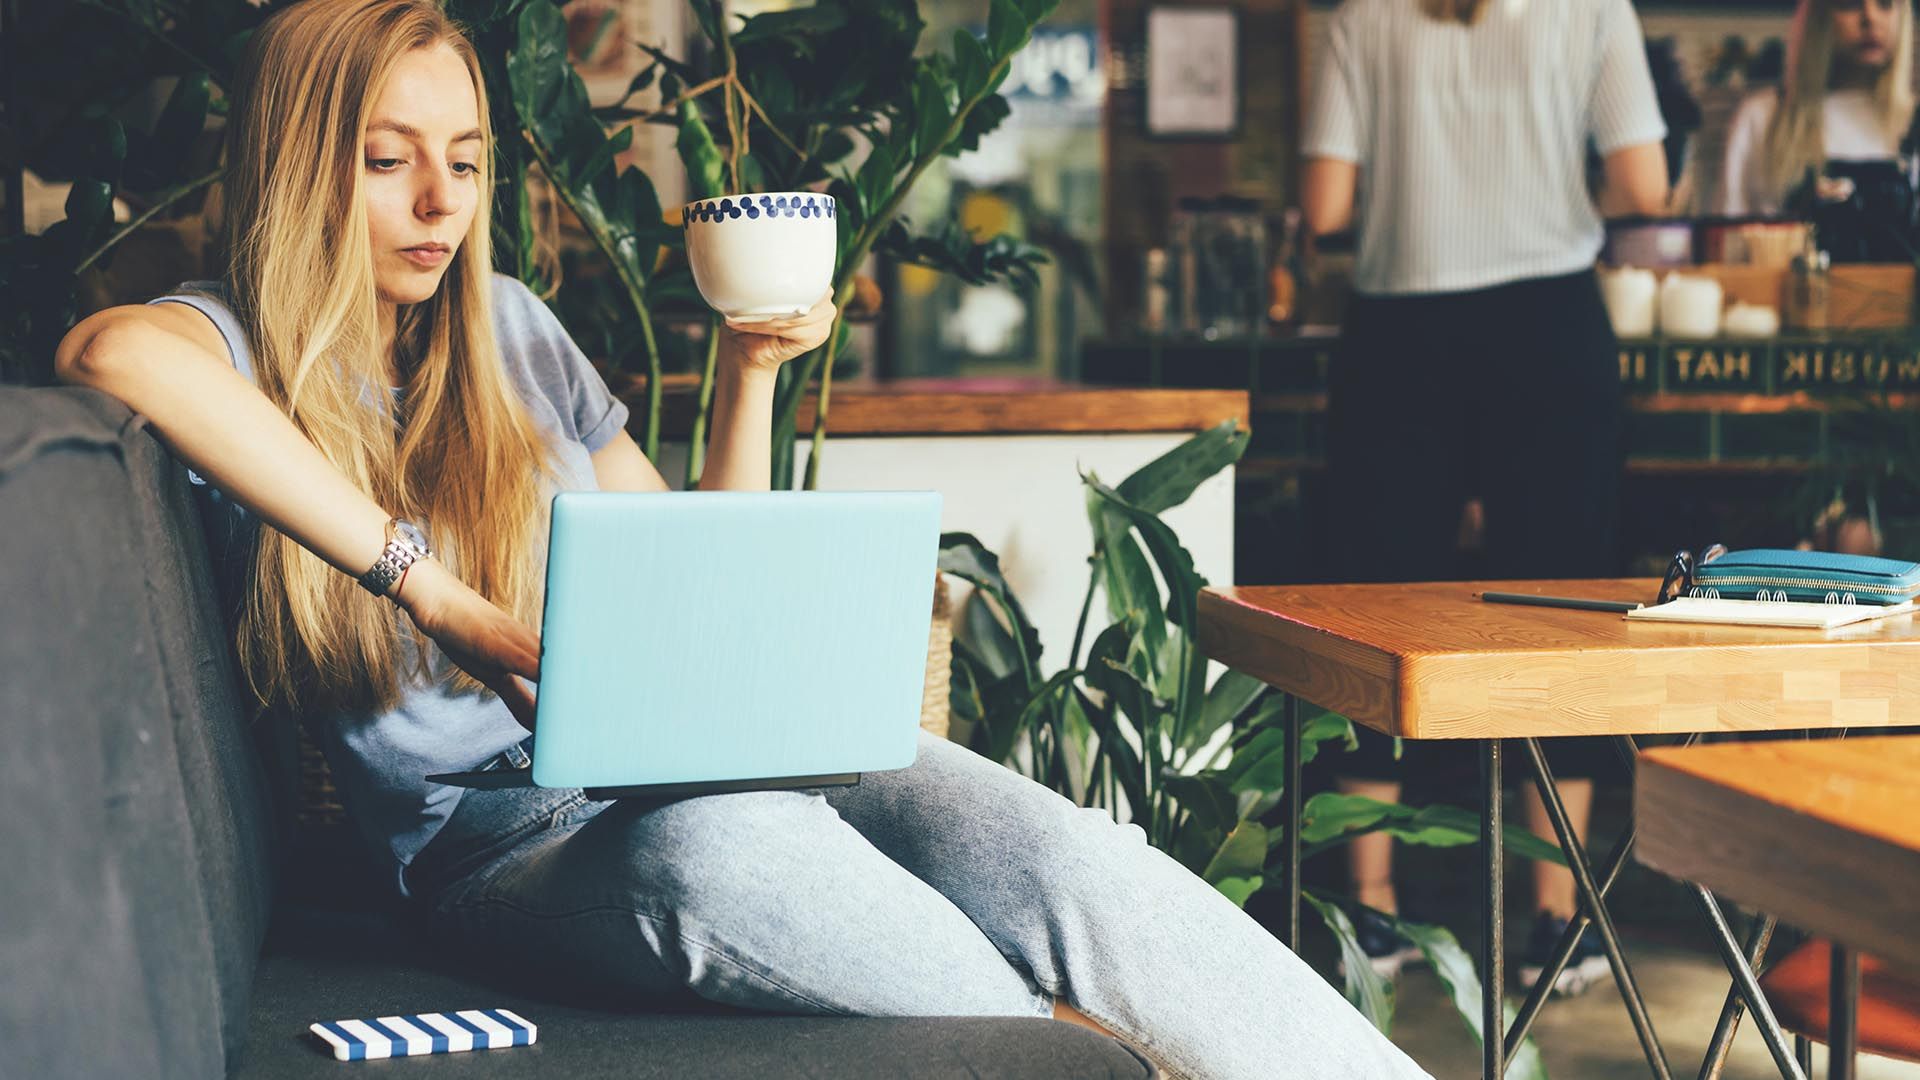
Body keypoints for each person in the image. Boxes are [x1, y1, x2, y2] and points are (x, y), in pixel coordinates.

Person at [52, 2, 1430, 1077]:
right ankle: (1091, 1066)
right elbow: (110, 353)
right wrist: (449, 602)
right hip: (500, 844)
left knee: (1055, 852)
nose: (439, 204)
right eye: (387, 161)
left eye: (465, 163)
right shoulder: (227, 346)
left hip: (710, 762)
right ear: (303, 165)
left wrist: (755, 373)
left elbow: (685, 573)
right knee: (716, 859)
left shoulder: (515, 330)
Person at [1301, 0, 1670, 995]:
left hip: (1396, 335)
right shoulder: (1593, 9)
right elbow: (1646, 181)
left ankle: (1366, 909)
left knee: (1375, 606)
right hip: (1549, 325)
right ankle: (1557, 921)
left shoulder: (1361, 17)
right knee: (1564, 614)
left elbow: (1327, 208)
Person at [1720, 0, 1919, 262]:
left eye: (1885, 4)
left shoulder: (1912, 123)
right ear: (1818, 17)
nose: (1870, 18)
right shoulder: (1763, 118)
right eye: (1850, 4)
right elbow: (1731, 248)